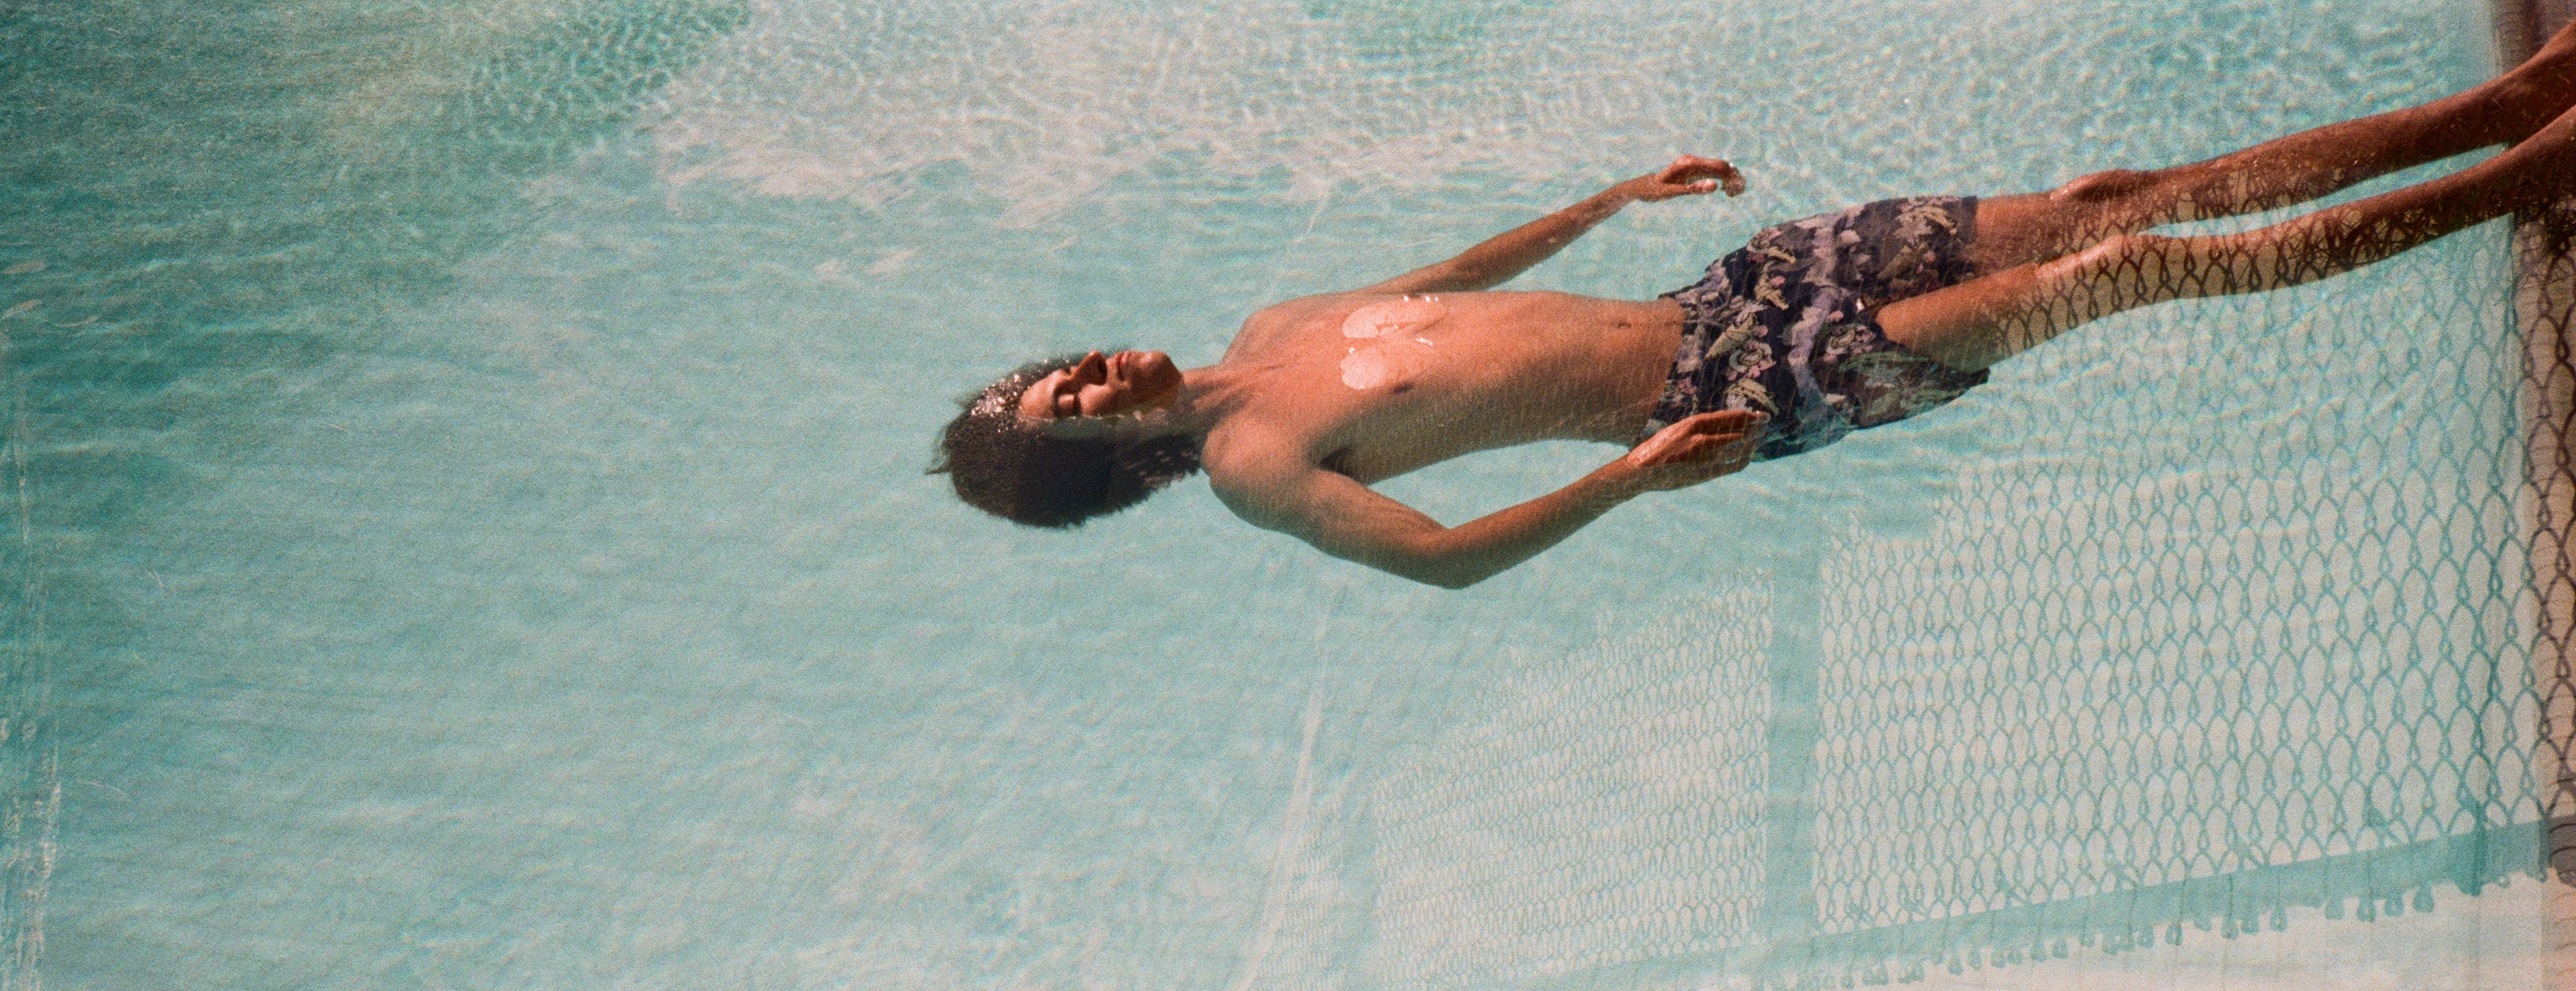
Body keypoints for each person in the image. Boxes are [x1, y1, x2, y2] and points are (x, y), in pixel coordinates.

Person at [934, 28, 2576, 589]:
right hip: (1737, 392)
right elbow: (1442, 563)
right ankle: (2521, 179)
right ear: (1104, 455)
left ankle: (2499, 109)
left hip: (1726, 287)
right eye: (1072, 411)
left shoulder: (1277, 320)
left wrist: (1607, 200)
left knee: (2111, 204)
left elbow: (1456, 282)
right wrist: (1625, 479)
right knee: (2121, 275)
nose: (1089, 376)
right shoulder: (1253, 469)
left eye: (1059, 371)